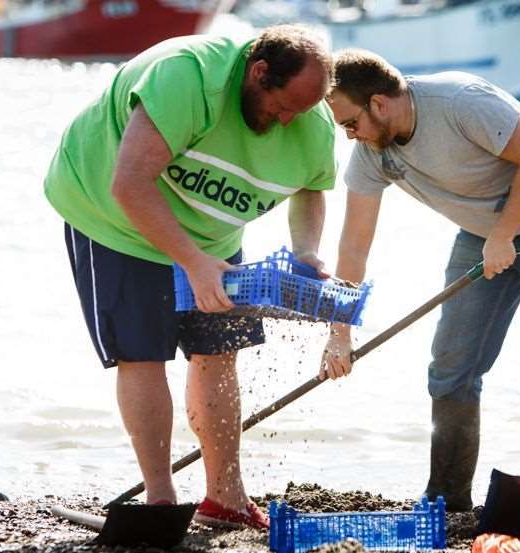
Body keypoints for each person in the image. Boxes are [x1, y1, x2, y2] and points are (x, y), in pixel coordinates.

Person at [319, 49, 520, 522]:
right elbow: (353, 248)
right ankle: (447, 495)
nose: (349, 135)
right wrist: (338, 332)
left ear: (379, 104)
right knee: (451, 366)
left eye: (350, 123)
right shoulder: (372, 152)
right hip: (483, 232)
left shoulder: (461, 102)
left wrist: (504, 234)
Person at [44, 25, 337, 530]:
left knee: (218, 350)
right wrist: (193, 264)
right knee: (142, 352)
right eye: (281, 106)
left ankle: (226, 496)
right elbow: (130, 182)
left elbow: (312, 189)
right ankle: (161, 501)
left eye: (301, 113)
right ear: (258, 71)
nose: (288, 120)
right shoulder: (188, 77)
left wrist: (307, 251)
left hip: (213, 233)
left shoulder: (310, 120)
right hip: (115, 218)